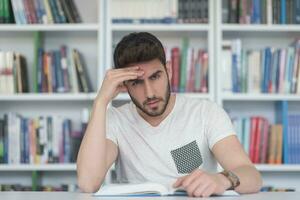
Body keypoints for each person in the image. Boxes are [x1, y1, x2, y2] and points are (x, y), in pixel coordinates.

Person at [76, 32, 262, 197]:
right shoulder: (115, 120)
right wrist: (100, 102)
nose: (149, 93)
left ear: (169, 70)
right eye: (136, 83)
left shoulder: (205, 113)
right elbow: (88, 183)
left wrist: (223, 180)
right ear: (124, 85)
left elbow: (251, 176)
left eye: (155, 77)